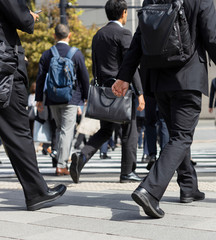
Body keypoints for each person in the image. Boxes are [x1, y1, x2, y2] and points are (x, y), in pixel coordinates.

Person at [112, 0, 216, 218]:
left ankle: (188, 187)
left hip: (160, 80)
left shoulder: (151, 0)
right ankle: (150, 190)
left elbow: (139, 39)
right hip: (187, 77)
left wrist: (124, 76)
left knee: (176, 137)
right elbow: (212, 38)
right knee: (181, 137)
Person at [0, 0, 66, 210]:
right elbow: (23, 19)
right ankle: (37, 192)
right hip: (5, 72)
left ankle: (37, 190)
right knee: (18, 133)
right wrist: (30, 14)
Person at [70, 0, 145, 184]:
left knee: (105, 130)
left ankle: (83, 156)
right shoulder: (124, 34)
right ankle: (127, 172)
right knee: (129, 131)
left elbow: (96, 66)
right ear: (124, 13)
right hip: (122, 91)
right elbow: (131, 65)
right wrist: (140, 92)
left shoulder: (98, 35)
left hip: (104, 92)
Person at [35, 24, 89, 176]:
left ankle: (60, 159)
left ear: (54, 36)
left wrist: (39, 99)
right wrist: (86, 97)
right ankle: (61, 164)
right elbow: (84, 78)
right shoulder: (76, 54)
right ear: (69, 35)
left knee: (59, 129)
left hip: (52, 98)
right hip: (71, 98)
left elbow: (40, 78)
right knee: (66, 130)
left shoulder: (47, 54)